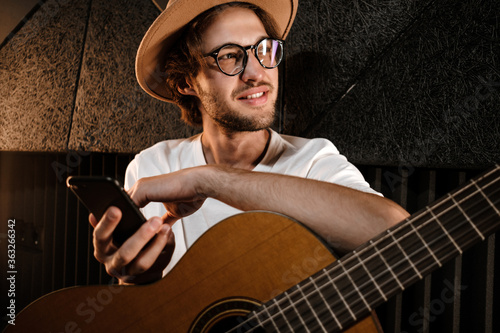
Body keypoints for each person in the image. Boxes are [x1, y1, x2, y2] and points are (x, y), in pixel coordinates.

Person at [89, 0, 409, 285]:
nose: (257, 73)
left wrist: (207, 180)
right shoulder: (152, 167)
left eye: (263, 50)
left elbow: (398, 237)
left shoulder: (313, 160)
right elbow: (145, 309)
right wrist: (139, 279)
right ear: (187, 82)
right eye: (229, 56)